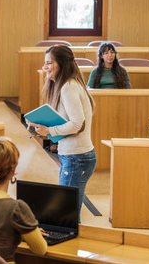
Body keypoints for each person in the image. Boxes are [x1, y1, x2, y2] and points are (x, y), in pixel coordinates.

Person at [27, 45, 96, 215]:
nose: (45, 68)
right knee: (68, 212)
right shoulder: (67, 85)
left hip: (76, 158)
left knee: (65, 214)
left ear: (62, 64)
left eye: (49, 63)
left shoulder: (69, 87)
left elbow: (77, 124)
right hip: (74, 156)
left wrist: (49, 131)